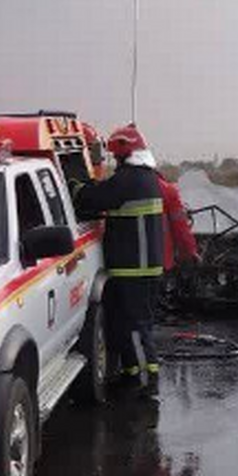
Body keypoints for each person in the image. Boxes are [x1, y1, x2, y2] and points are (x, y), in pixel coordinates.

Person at [75, 124, 166, 398]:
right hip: (141, 266)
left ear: (123, 154)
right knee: (133, 325)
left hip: (134, 268)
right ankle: (133, 374)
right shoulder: (145, 177)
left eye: (115, 156)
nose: (113, 160)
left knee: (135, 326)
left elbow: (96, 197)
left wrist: (76, 187)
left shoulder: (130, 179)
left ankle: (144, 381)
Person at [157, 171, 199, 271]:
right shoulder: (167, 190)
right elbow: (180, 228)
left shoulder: (114, 186)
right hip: (159, 262)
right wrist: (189, 253)